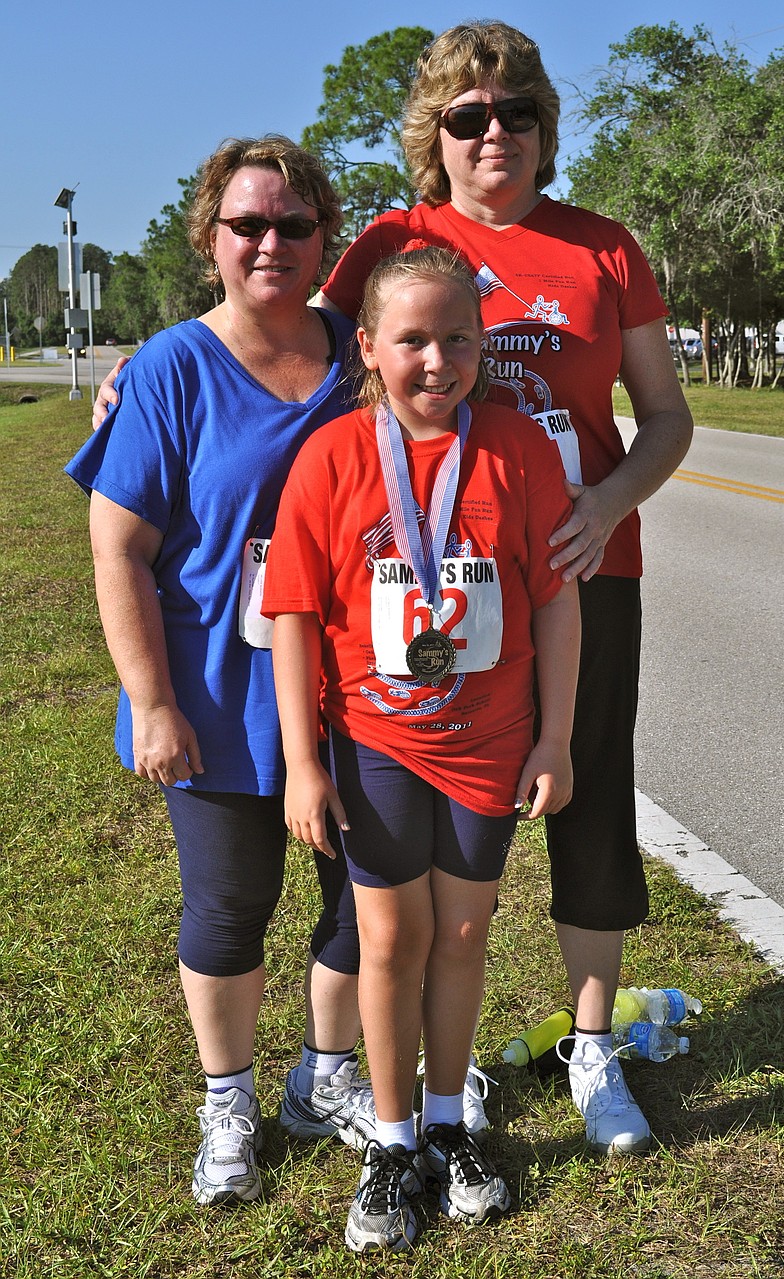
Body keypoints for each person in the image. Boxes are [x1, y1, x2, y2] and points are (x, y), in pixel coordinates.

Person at [316, 20, 694, 1156]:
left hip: (578, 574)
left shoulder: (602, 249)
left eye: (516, 113)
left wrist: (609, 499)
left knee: (584, 801)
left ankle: (591, 1046)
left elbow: (667, 416)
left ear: (543, 129)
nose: (495, 135)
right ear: (435, 134)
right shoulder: (394, 238)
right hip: (414, 588)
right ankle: (423, 1066)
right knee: (407, 819)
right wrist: (141, 369)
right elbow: (296, 356)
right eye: (468, 117)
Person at [65, 135, 384, 1208]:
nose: (271, 243)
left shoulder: (365, 356)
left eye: (295, 225)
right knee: (228, 905)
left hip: (359, 689)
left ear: (325, 240)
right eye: (247, 224)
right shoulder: (167, 369)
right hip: (213, 691)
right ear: (209, 239)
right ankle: (229, 1102)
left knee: (364, 895)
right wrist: (152, 701)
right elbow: (120, 546)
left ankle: (324, 1079)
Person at [261, 246, 581, 1252]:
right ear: (367, 348)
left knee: (460, 937)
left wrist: (556, 736)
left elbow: (555, 602)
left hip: (487, 747)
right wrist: (305, 761)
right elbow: (294, 616)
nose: (436, 360)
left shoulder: (517, 449)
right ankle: (391, 1141)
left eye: (457, 339)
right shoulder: (334, 457)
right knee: (390, 941)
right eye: (411, 340)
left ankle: (451, 1121)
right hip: (378, 744)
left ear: (482, 346)